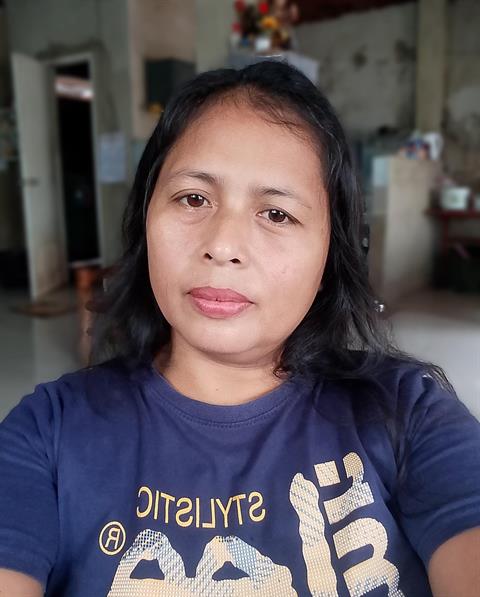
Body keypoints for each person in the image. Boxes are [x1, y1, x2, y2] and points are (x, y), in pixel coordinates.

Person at [0, 60, 479, 596]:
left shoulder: (410, 416)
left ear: (331, 253)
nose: (223, 245)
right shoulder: (48, 434)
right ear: (144, 220)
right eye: (193, 198)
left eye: (276, 214)